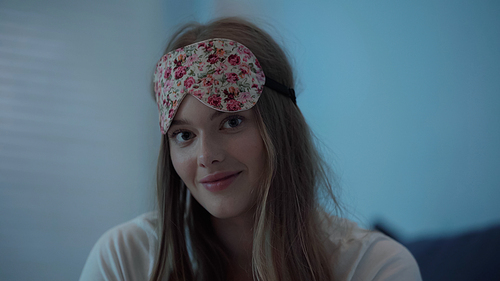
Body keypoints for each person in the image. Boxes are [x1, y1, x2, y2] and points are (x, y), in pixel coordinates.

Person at [79, 17, 421, 281]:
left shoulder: (374, 267)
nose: (206, 156)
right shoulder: (124, 258)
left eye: (231, 122)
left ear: (280, 128)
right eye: (183, 135)